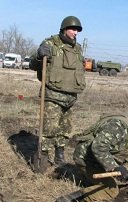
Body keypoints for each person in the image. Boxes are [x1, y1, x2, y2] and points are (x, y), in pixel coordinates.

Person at [55, 104, 128, 202]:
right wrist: (114, 167)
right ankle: (69, 198)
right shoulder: (117, 127)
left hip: (96, 160)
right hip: (86, 159)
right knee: (112, 190)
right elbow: (98, 147)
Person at [31, 16, 86, 172]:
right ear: (64, 28)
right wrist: (39, 55)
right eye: (73, 29)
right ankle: (42, 158)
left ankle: (59, 158)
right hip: (52, 95)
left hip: (69, 98)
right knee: (48, 129)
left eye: (77, 30)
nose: (76, 33)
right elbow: (33, 65)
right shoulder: (50, 44)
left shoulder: (77, 49)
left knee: (64, 130)